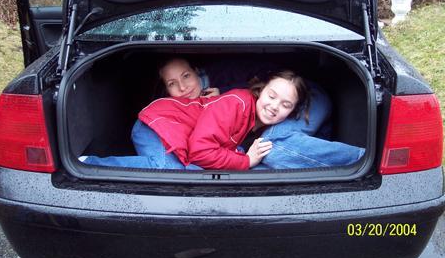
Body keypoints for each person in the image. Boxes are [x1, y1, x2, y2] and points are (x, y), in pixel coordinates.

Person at [83, 68, 364, 169]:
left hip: (181, 133)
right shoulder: (237, 104)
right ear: (260, 90)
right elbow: (201, 151)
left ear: (292, 113)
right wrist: (246, 161)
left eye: (286, 104)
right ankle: (91, 165)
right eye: (271, 95)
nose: (274, 106)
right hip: (156, 126)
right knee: (168, 170)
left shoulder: (265, 124)